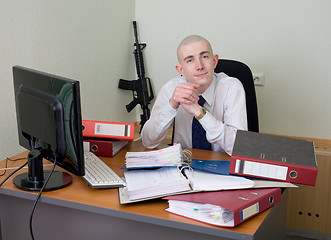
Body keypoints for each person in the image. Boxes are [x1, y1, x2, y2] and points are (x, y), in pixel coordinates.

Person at [141, 35, 247, 155]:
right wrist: (172, 105)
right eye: (190, 60)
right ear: (181, 70)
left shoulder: (232, 88)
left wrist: (200, 113)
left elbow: (239, 148)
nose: (200, 66)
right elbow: (148, 142)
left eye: (205, 56)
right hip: (183, 166)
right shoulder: (171, 89)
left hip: (221, 166)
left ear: (214, 61)